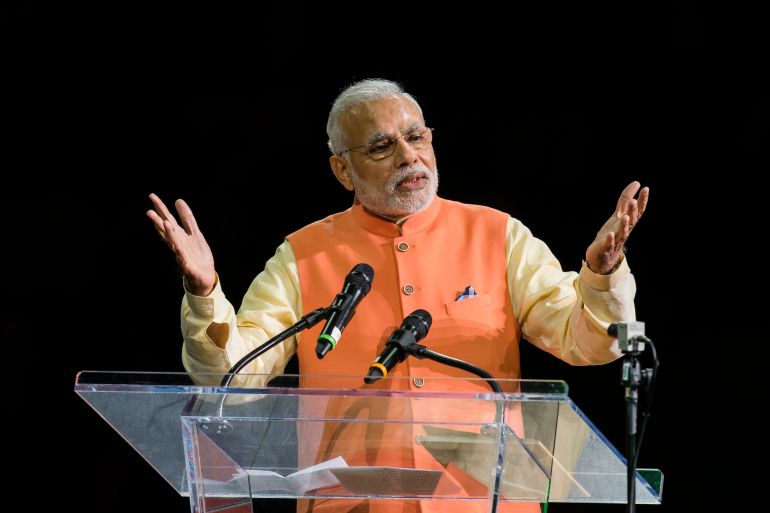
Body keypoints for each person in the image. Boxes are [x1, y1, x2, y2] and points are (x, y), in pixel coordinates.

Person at [147, 79, 649, 513]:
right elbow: (232, 374)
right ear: (343, 171)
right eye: (382, 146)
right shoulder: (302, 255)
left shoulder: (498, 235)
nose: (410, 156)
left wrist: (600, 276)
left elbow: (584, 340)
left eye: (416, 137)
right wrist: (204, 291)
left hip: (485, 502)